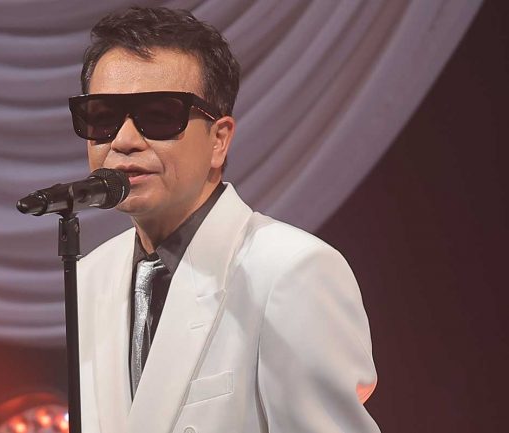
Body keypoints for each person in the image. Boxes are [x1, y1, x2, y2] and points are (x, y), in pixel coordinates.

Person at [73, 6, 380, 433]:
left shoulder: (290, 270)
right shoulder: (89, 275)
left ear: (219, 140)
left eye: (159, 115)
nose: (124, 141)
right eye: (103, 116)